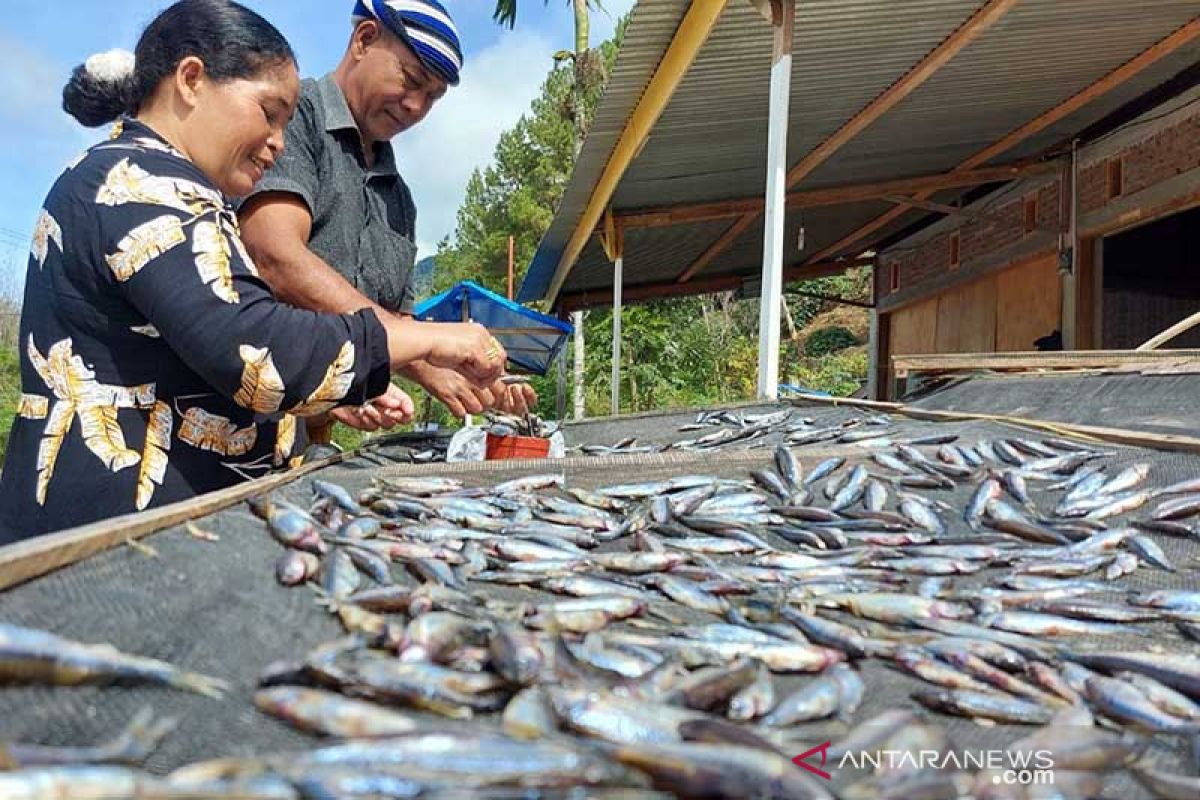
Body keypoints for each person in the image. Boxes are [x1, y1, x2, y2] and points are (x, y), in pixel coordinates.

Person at [0, 0, 506, 542]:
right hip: (101, 539)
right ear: (192, 80)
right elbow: (254, 352)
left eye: (286, 124)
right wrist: (424, 340)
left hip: (167, 528)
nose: (278, 143)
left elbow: (205, 357)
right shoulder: (139, 185)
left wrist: (341, 387)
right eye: (269, 113)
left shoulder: (175, 188)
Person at [238, 0, 536, 444]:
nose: (416, 105)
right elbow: (274, 255)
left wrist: (446, 370)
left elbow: (393, 320)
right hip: (235, 426)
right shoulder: (292, 118)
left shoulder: (399, 199)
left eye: (433, 97)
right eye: (411, 80)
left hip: (309, 441)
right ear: (364, 40)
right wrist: (427, 344)